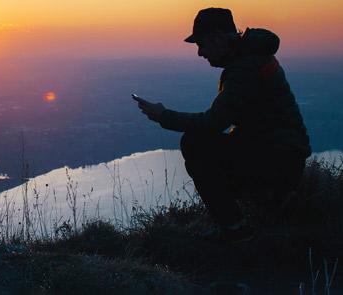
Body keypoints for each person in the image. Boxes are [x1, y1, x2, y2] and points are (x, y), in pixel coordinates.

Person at [133, 7, 310, 241]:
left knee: (195, 143)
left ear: (217, 38)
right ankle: (271, 206)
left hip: (277, 160)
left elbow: (213, 123)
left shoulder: (245, 68)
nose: (200, 53)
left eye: (201, 44)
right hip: (281, 154)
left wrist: (163, 115)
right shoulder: (252, 57)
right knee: (210, 146)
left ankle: (235, 229)